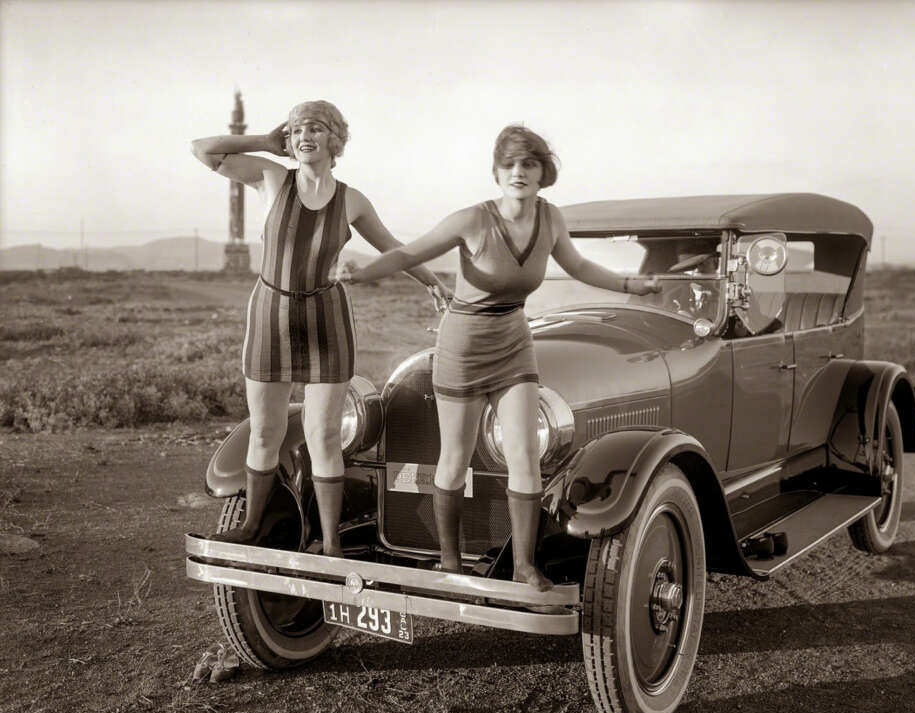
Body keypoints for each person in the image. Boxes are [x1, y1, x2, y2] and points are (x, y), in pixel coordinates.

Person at [341, 125, 659, 589]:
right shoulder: (471, 220)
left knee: (525, 453)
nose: (518, 172)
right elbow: (410, 252)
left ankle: (525, 566)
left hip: (514, 341)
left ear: (542, 171)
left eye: (528, 163)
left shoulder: (550, 219)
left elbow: (580, 266)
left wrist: (632, 285)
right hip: (464, 344)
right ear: (496, 172)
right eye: (509, 164)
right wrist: (364, 272)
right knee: (454, 456)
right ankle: (449, 562)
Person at [191, 100, 450, 556]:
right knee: (266, 430)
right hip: (270, 314)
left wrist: (432, 282)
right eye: (295, 130)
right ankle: (252, 525)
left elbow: (393, 247)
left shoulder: (352, 200)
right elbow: (203, 149)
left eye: (315, 128)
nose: (303, 136)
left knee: (325, 434)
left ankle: (330, 543)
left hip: (327, 321)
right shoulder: (271, 178)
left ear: (335, 139)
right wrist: (264, 142)